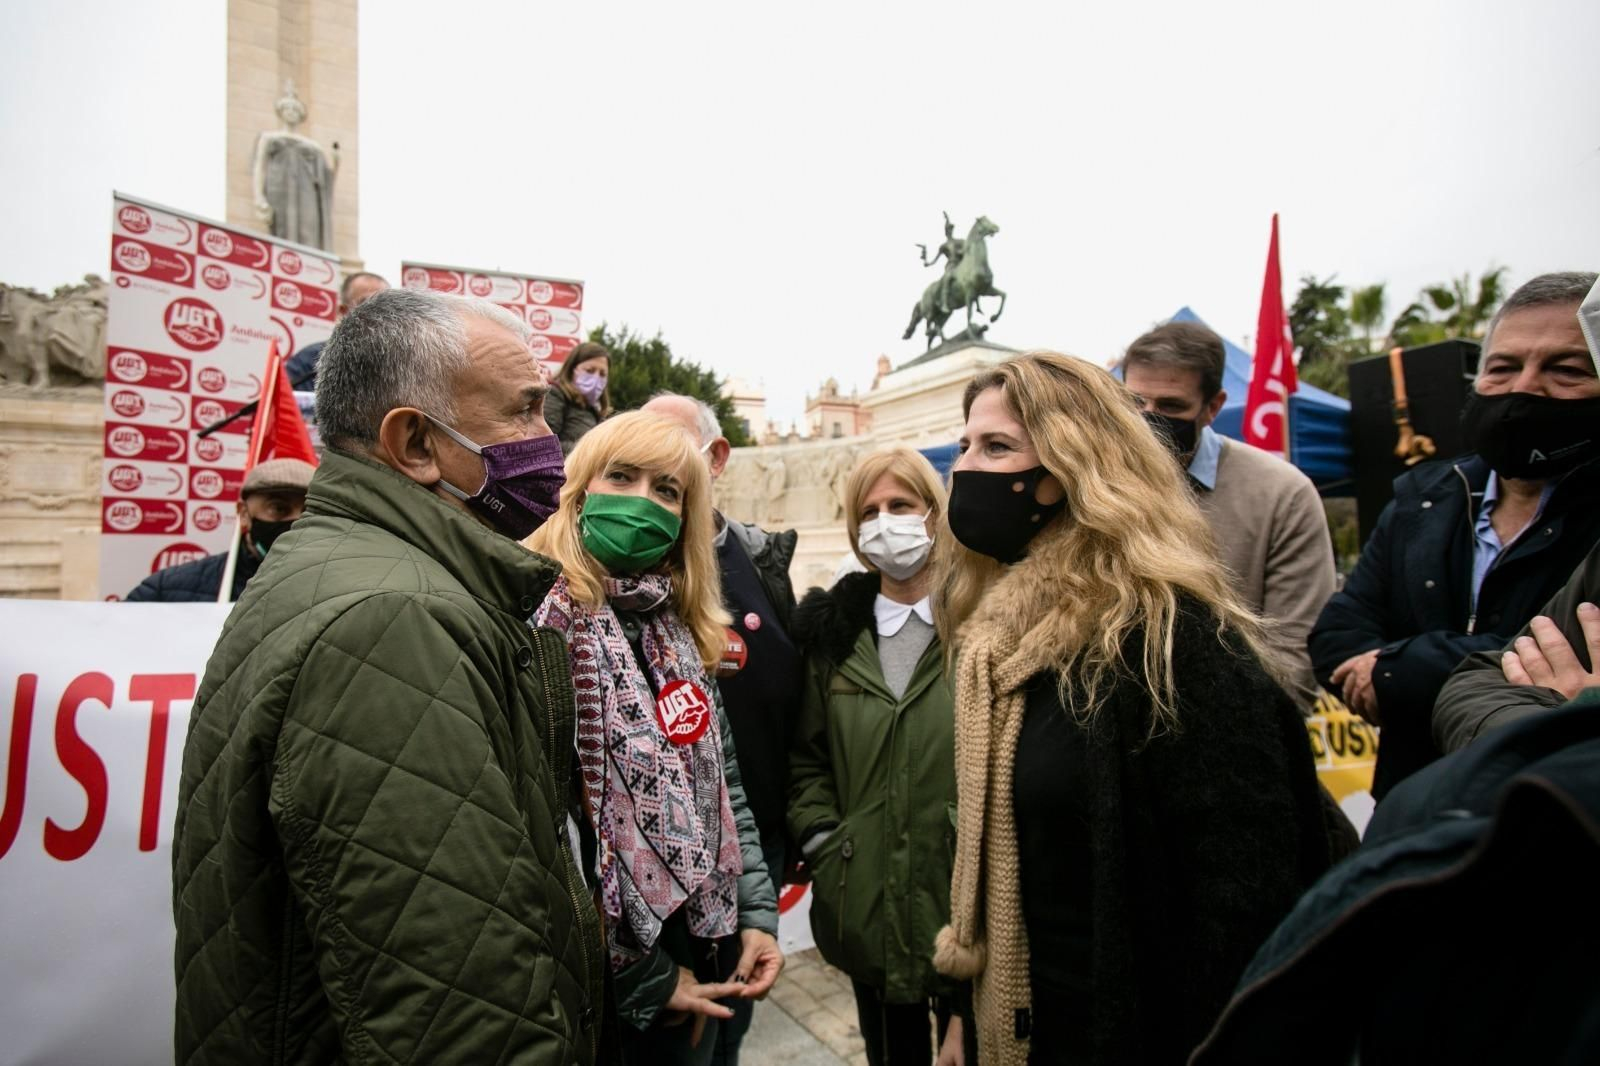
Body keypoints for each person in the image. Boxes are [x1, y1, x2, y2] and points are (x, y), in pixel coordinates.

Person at [172, 288, 601, 1064]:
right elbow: (462, 1018)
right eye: (523, 411)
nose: (550, 443)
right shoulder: (395, 622)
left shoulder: (347, 570)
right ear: (414, 443)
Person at [929, 352, 1335, 1066]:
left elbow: (1244, 906)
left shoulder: (1172, 644)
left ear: (1073, 469)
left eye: (996, 447)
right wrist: (964, 1009)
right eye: (964, 445)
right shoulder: (997, 637)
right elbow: (998, 867)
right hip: (1021, 1023)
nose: (963, 468)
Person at [528, 411, 783, 1065]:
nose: (643, 500)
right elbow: (537, 841)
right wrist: (648, 979)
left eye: (667, 489)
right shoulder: (532, 626)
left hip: (704, 944)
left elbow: (724, 789)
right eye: (622, 476)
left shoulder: (676, 633)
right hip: (599, 986)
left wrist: (756, 915)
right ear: (581, 489)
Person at [1310, 271, 1600, 799]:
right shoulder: (1423, 496)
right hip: (1412, 804)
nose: (1523, 388)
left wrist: (1396, 672)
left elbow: (1557, 647)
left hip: (1548, 807)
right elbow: (1336, 633)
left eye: (1566, 370)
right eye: (1502, 368)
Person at [641, 392, 800, 1066]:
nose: (658, 471)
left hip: (754, 852)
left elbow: (792, 711)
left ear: (717, 458)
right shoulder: (626, 571)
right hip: (662, 885)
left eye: (673, 452)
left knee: (731, 1028)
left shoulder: (762, 562)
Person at [788, 446, 956, 1066]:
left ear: (934, 513)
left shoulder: (983, 623)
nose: (885, 521)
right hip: (866, 902)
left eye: (901, 505)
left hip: (963, 904)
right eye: (869, 511)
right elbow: (806, 759)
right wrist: (826, 839)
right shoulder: (832, 638)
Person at [1120, 319, 1335, 705]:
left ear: (1213, 407)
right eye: (1135, 403)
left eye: (1171, 405)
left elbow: (1293, 659)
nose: (1148, 419)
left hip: (1234, 720)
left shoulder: (1281, 494)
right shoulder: (1098, 485)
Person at [124, 457, 313, 602]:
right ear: (244, 514)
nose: (297, 522)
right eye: (279, 509)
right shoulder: (166, 590)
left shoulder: (329, 590)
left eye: (310, 511)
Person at [282, 270, 390, 387]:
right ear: (343, 312)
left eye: (386, 305)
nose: (379, 313)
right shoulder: (308, 363)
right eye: (367, 304)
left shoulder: (400, 365)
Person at [545, 340, 613, 454]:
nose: (596, 378)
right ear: (572, 369)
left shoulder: (594, 409)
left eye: (602, 374)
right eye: (590, 370)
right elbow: (543, 444)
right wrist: (590, 452)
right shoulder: (554, 395)